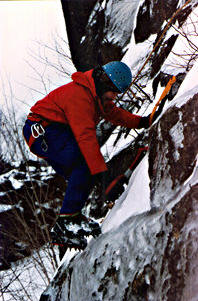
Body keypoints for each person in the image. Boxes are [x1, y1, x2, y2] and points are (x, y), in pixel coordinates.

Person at [23, 61, 152, 249]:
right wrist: (102, 173)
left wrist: (142, 122)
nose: (114, 97)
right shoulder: (80, 96)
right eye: (114, 92)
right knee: (84, 165)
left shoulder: (97, 96)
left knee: (84, 174)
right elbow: (85, 136)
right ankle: (66, 223)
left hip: (55, 131)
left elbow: (115, 115)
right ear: (105, 83)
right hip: (45, 130)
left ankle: (72, 217)